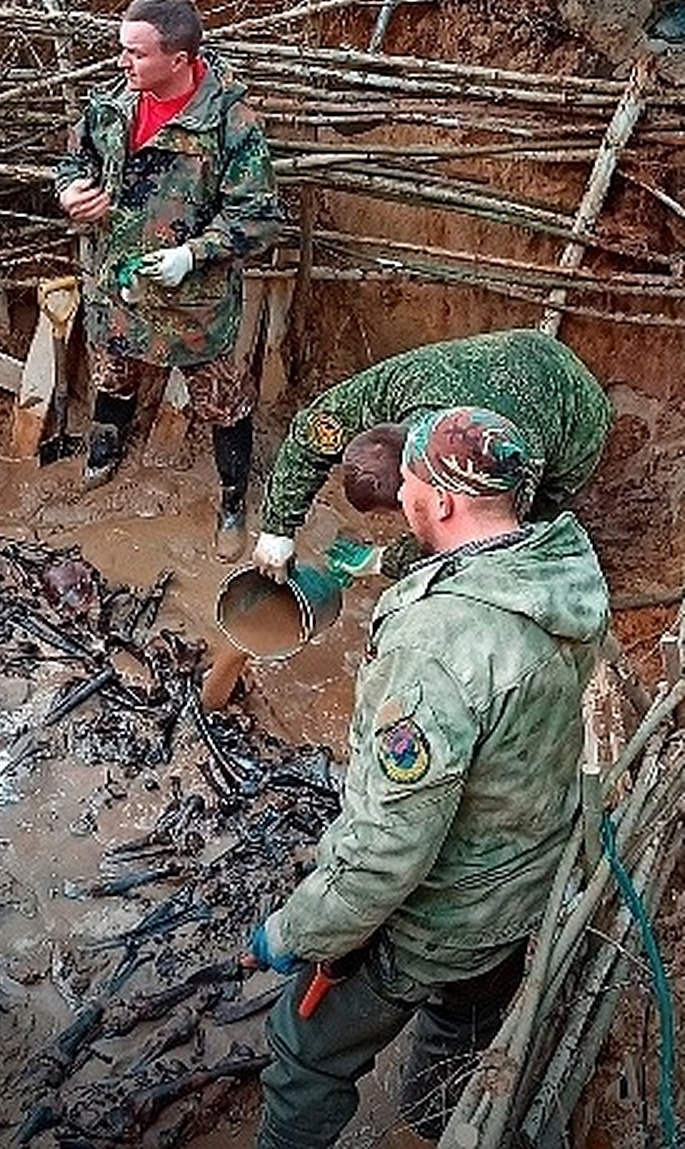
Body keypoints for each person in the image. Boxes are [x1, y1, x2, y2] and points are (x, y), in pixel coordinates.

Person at [241, 406, 610, 1147]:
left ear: (439, 500)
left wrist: (299, 927)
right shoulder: (560, 574)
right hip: (524, 887)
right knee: (458, 1028)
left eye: (408, 478)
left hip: (441, 918)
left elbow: (388, 850)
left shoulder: (436, 647)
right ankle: (433, 1127)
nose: (402, 492)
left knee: (303, 1058)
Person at [55, 0, 283, 561]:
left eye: (135, 53)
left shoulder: (230, 122)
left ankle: (233, 500)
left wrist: (193, 254)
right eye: (122, 50)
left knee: (223, 401)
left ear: (178, 59)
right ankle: (104, 454)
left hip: (193, 300)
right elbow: (73, 161)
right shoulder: (112, 105)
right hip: (120, 284)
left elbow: (257, 219)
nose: (121, 62)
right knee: (113, 373)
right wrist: (71, 193)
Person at [252, 327, 613, 580]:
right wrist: (277, 530)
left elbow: (479, 544)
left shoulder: (500, 462)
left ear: (424, 489)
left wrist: (383, 561)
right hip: (510, 352)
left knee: (529, 527)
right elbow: (312, 433)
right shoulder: (394, 389)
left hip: (577, 415)